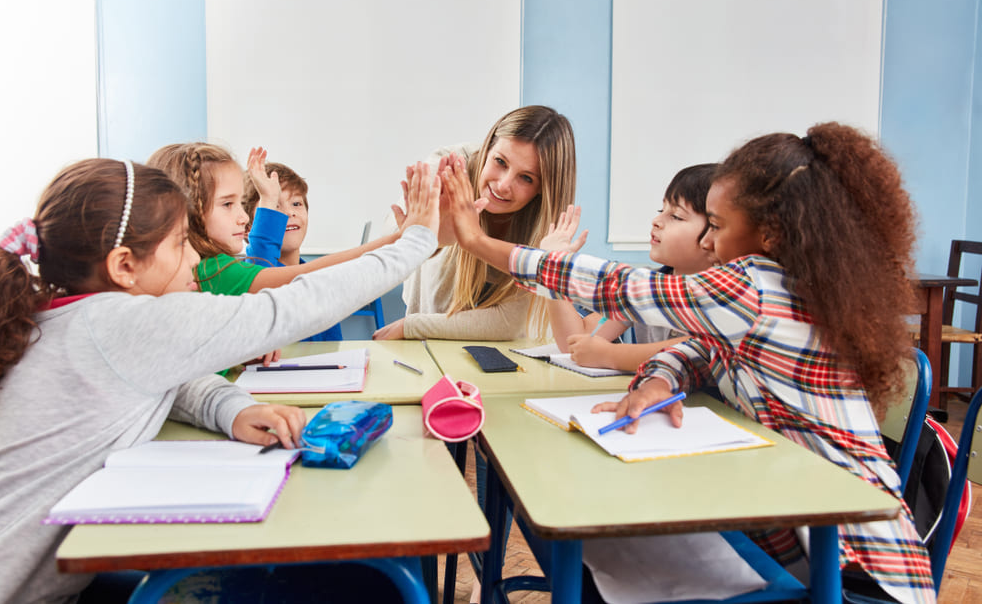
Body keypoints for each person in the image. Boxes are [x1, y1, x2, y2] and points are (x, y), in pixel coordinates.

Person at [442, 122, 935, 604]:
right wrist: (658, 381)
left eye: (715, 226)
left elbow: (619, 287)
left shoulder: (756, 286)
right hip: (801, 542)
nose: (706, 243)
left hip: (858, 575)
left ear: (772, 231)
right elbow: (698, 349)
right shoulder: (787, 290)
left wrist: (479, 241)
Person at [0, 158, 439, 604]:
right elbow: (294, 306)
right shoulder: (122, 323)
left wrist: (231, 408)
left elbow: (171, 380)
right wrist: (415, 240)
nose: (195, 255)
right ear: (124, 266)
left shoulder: (70, 318)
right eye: (181, 242)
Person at [372, 104, 577, 341]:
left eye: (526, 178)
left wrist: (412, 326)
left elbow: (507, 323)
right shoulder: (447, 169)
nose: (503, 184)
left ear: (543, 189)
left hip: (501, 353)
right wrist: (427, 227)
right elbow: (389, 246)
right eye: (500, 161)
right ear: (487, 147)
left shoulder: (547, 229)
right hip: (431, 346)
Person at [147, 142, 407, 296]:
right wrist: (399, 239)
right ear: (188, 210)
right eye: (227, 204)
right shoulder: (213, 270)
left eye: (239, 203)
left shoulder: (208, 268)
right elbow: (306, 276)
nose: (242, 217)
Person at [545, 164, 718, 372]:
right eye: (661, 211)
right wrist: (552, 266)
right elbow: (573, 342)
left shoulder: (728, 297)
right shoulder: (644, 285)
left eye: (676, 216)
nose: (656, 221)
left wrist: (608, 355)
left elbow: (694, 351)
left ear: (718, 233)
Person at [242, 159, 343, 340]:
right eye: (274, 206)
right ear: (248, 228)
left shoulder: (319, 282)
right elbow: (261, 259)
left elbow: (333, 347)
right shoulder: (253, 272)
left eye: (296, 204)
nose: (290, 213)